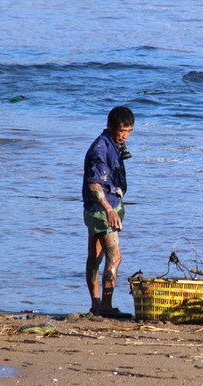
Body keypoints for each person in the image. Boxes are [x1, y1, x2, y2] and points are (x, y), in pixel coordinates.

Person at [82, 106, 135, 318]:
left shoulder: (112, 143)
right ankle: (106, 306)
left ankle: (95, 306)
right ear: (109, 126)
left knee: (94, 257)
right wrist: (110, 210)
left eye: (128, 131)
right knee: (115, 257)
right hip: (102, 209)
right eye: (121, 131)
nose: (124, 135)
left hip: (94, 209)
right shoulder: (100, 149)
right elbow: (95, 184)